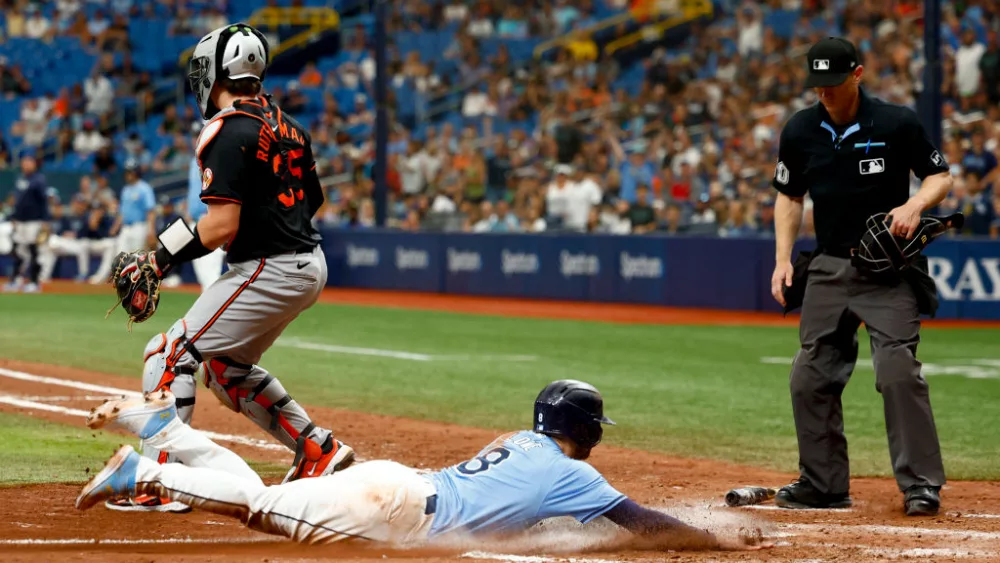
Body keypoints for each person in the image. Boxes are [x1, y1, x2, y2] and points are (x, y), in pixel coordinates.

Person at [102, 22, 353, 512]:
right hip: (304, 262)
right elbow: (310, 201)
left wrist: (159, 257)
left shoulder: (225, 128)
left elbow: (219, 227)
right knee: (222, 367)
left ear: (217, 73)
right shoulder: (290, 126)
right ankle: (316, 449)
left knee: (168, 353)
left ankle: (163, 480)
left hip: (270, 265)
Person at [77, 380, 769, 552]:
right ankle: (145, 470)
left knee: (259, 497)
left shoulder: (519, 442)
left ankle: (166, 429)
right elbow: (641, 521)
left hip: (394, 484)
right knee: (257, 507)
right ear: (582, 431)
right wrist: (714, 539)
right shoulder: (576, 474)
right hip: (393, 507)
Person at [770, 37, 952, 517]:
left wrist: (914, 203)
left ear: (858, 74)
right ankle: (824, 484)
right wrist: (783, 258)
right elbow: (789, 197)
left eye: (833, 83)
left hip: (887, 271)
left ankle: (920, 484)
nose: (824, 93)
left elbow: (940, 177)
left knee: (897, 371)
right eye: (817, 84)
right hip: (828, 267)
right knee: (808, 377)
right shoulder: (800, 129)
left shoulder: (897, 122)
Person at [89, 159, 155, 284]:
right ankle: (122, 283)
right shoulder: (126, 190)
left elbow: (150, 211)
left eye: (130, 172)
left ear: (136, 173)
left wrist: (150, 229)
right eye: (127, 172)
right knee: (121, 256)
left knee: (137, 257)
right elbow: (122, 212)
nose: (128, 175)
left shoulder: (144, 188)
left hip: (139, 226)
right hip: (126, 228)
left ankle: (137, 285)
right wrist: (115, 227)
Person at [4, 153, 49, 293]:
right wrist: (13, 217)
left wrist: (45, 220)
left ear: (34, 164)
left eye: (29, 162)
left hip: (33, 221)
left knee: (33, 251)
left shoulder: (39, 180)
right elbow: (17, 201)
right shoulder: (20, 179)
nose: (26, 164)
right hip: (20, 221)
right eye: (24, 162)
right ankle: (15, 279)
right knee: (17, 250)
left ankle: (34, 282)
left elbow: (43, 202)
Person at [186, 144, 225, 291]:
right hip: (195, 221)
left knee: (210, 272)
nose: (195, 139)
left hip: (210, 218)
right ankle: (213, 310)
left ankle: (218, 309)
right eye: (194, 135)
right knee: (203, 274)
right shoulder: (193, 161)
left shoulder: (216, 157)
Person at [38, 195, 91, 283]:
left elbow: (82, 233)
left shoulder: (81, 217)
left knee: (53, 242)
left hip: (73, 243)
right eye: (77, 203)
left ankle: (83, 274)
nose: (78, 206)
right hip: (62, 244)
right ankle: (44, 277)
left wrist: (74, 234)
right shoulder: (61, 218)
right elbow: (60, 232)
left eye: (81, 204)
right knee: (51, 249)